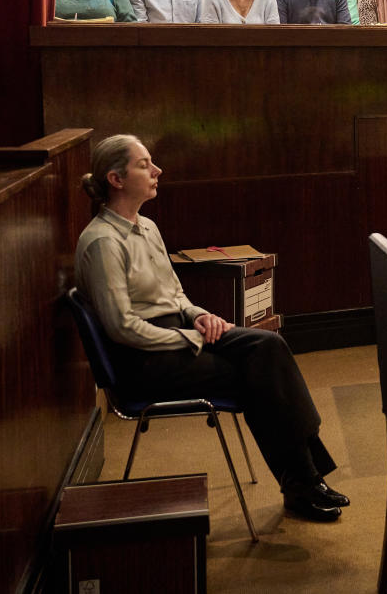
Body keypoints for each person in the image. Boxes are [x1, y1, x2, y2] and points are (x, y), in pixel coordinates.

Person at [74, 135, 347, 522]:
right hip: (146, 361)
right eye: (144, 165)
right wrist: (189, 337)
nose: (157, 171)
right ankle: (304, 482)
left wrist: (199, 316)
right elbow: (122, 329)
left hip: (178, 336)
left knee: (268, 347)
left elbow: (176, 294)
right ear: (116, 180)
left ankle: (304, 481)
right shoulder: (102, 242)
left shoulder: (147, 227)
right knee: (255, 374)